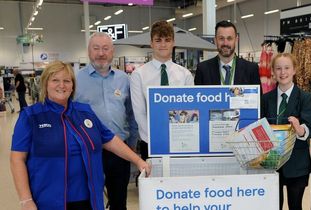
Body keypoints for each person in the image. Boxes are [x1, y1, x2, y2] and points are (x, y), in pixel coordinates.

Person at [10, 61, 150, 210]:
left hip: (88, 199)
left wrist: (138, 161)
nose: (61, 85)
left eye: (66, 81)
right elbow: (17, 159)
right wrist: (26, 200)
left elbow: (109, 139)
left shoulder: (84, 112)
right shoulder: (31, 116)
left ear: (73, 86)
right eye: (55, 80)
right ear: (45, 84)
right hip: (48, 200)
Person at [74, 32, 138, 210]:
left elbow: (132, 115)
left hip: (119, 150)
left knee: (119, 201)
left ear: (112, 51)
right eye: (96, 48)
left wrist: (131, 144)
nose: (101, 53)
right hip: (87, 150)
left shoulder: (124, 79)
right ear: (88, 51)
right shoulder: (76, 80)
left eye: (105, 48)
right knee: (88, 200)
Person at [130, 20, 194, 160]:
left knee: (180, 181)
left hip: (180, 139)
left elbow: (189, 110)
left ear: (173, 43)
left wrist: (179, 134)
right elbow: (139, 113)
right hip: (151, 142)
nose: (163, 45)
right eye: (158, 40)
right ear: (151, 43)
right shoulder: (138, 75)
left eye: (167, 40)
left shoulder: (185, 75)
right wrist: (156, 137)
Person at [261, 53, 311, 210]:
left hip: (297, 164)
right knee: (274, 205)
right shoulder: (266, 98)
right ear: (272, 71)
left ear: (294, 70)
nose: (282, 72)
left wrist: (299, 129)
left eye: (286, 68)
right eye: (278, 68)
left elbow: (310, 128)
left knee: (295, 206)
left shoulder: (305, 97)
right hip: (272, 163)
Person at [194, 20, 260, 86]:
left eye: (229, 38)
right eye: (221, 38)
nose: (225, 43)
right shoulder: (203, 69)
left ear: (236, 40)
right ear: (215, 40)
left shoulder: (251, 69)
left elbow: (258, 96)